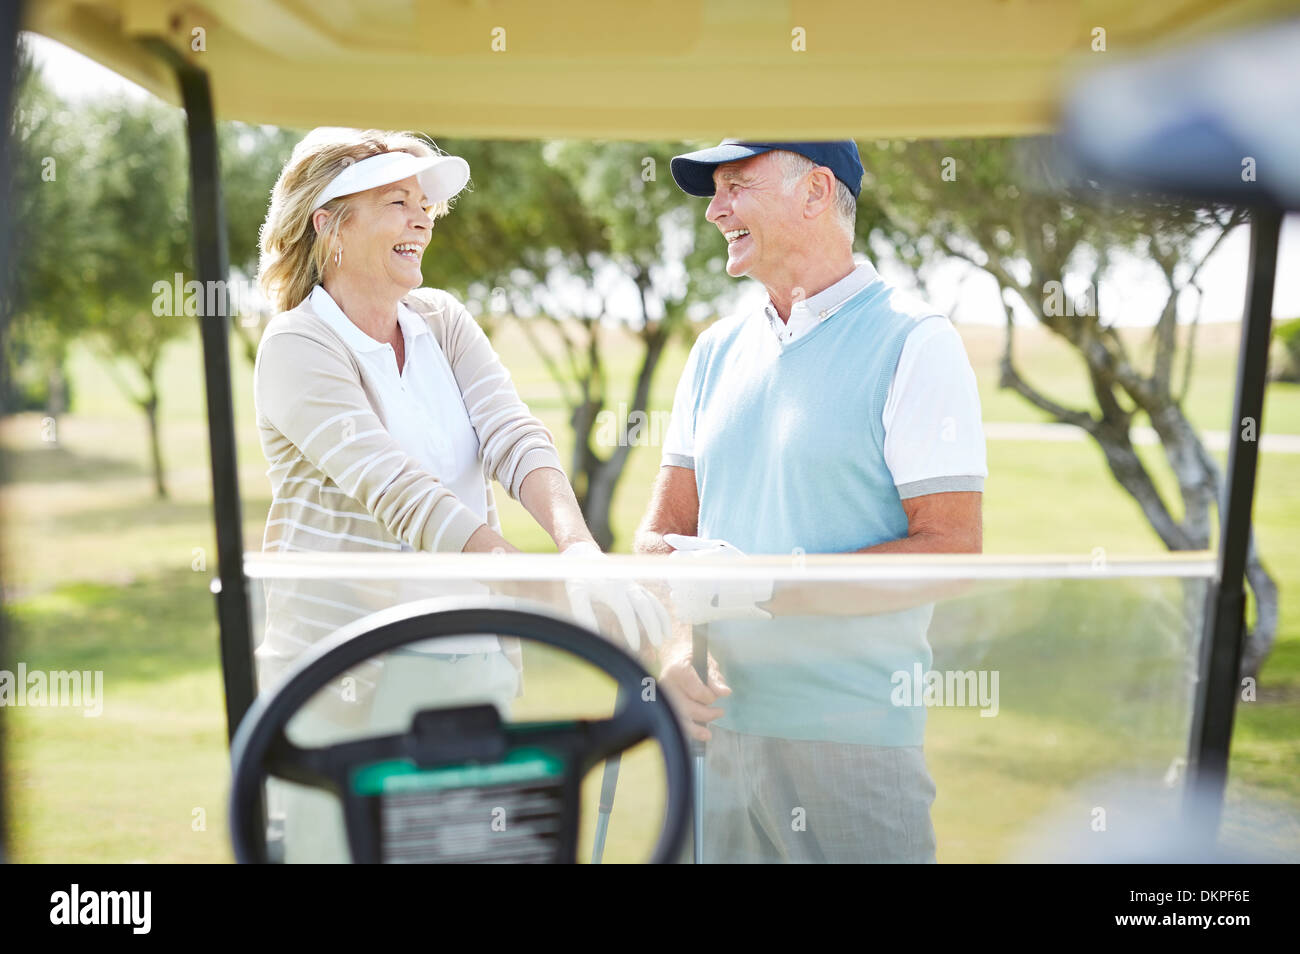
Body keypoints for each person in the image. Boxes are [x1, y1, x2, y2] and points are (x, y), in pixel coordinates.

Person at [253, 127, 667, 860]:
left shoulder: (441, 321)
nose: (422, 218)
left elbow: (514, 435)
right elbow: (403, 496)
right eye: (396, 201)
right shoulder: (297, 344)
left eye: (424, 204)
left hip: (475, 667)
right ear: (330, 224)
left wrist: (578, 549)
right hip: (349, 685)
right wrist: (556, 593)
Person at [636, 140, 987, 862]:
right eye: (715, 192)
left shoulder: (914, 341)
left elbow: (951, 552)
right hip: (718, 738)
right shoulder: (714, 351)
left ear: (816, 192)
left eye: (736, 186)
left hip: (853, 745)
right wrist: (672, 645)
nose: (715, 210)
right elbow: (663, 535)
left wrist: (765, 587)